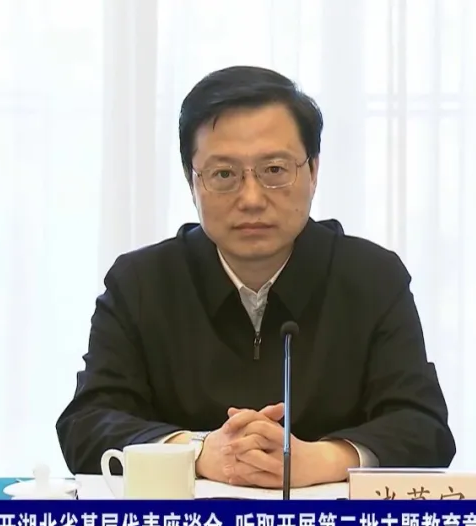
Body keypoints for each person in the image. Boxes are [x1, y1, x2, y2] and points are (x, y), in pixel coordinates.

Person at [56, 65, 455, 488]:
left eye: (275, 170)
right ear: (192, 181)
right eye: (224, 174)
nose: (251, 198)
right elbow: (87, 423)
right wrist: (197, 451)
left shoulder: (372, 278)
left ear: (313, 172)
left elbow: (423, 427)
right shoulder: (141, 284)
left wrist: (321, 459)